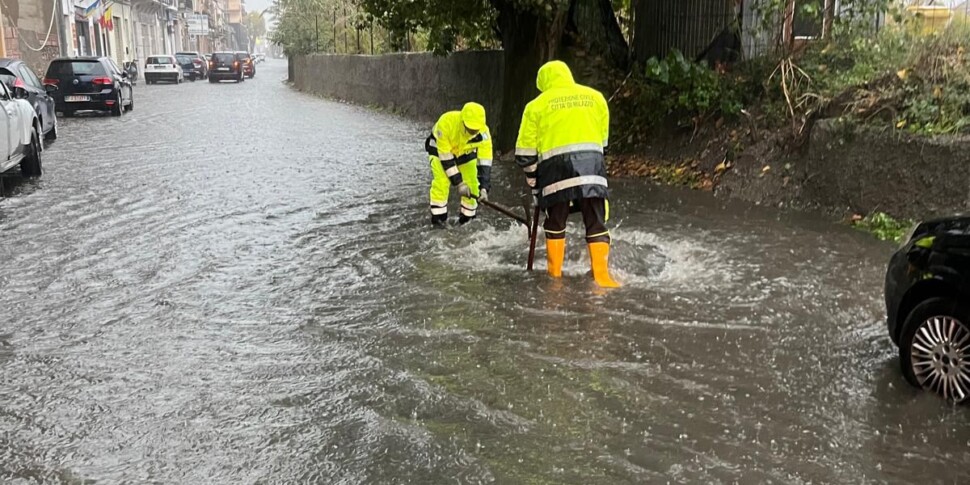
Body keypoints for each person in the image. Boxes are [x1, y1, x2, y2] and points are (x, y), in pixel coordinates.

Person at [514, 60, 620, 288]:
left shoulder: (536, 106)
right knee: (596, 221)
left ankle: (554, 277)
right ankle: (602, 277)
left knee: (555, 222)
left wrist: (535, 185)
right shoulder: (595, 97)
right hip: (593, 168)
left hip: (555, 172)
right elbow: (603, 143)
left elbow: (524, 154)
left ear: (542, 83)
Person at [424, 102, 494, 227]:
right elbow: (445, 158)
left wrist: (484, 188)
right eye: (470, 129)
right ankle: (439, 221)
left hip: (465, 153)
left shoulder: (484, 134)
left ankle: (467, 220)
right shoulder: (446, 122)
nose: (473, 132)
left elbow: (485, 162)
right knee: (442, 182)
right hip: (440, 151)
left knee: (472, 183)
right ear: (463, 121)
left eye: (475, 130)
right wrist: (459, 183)